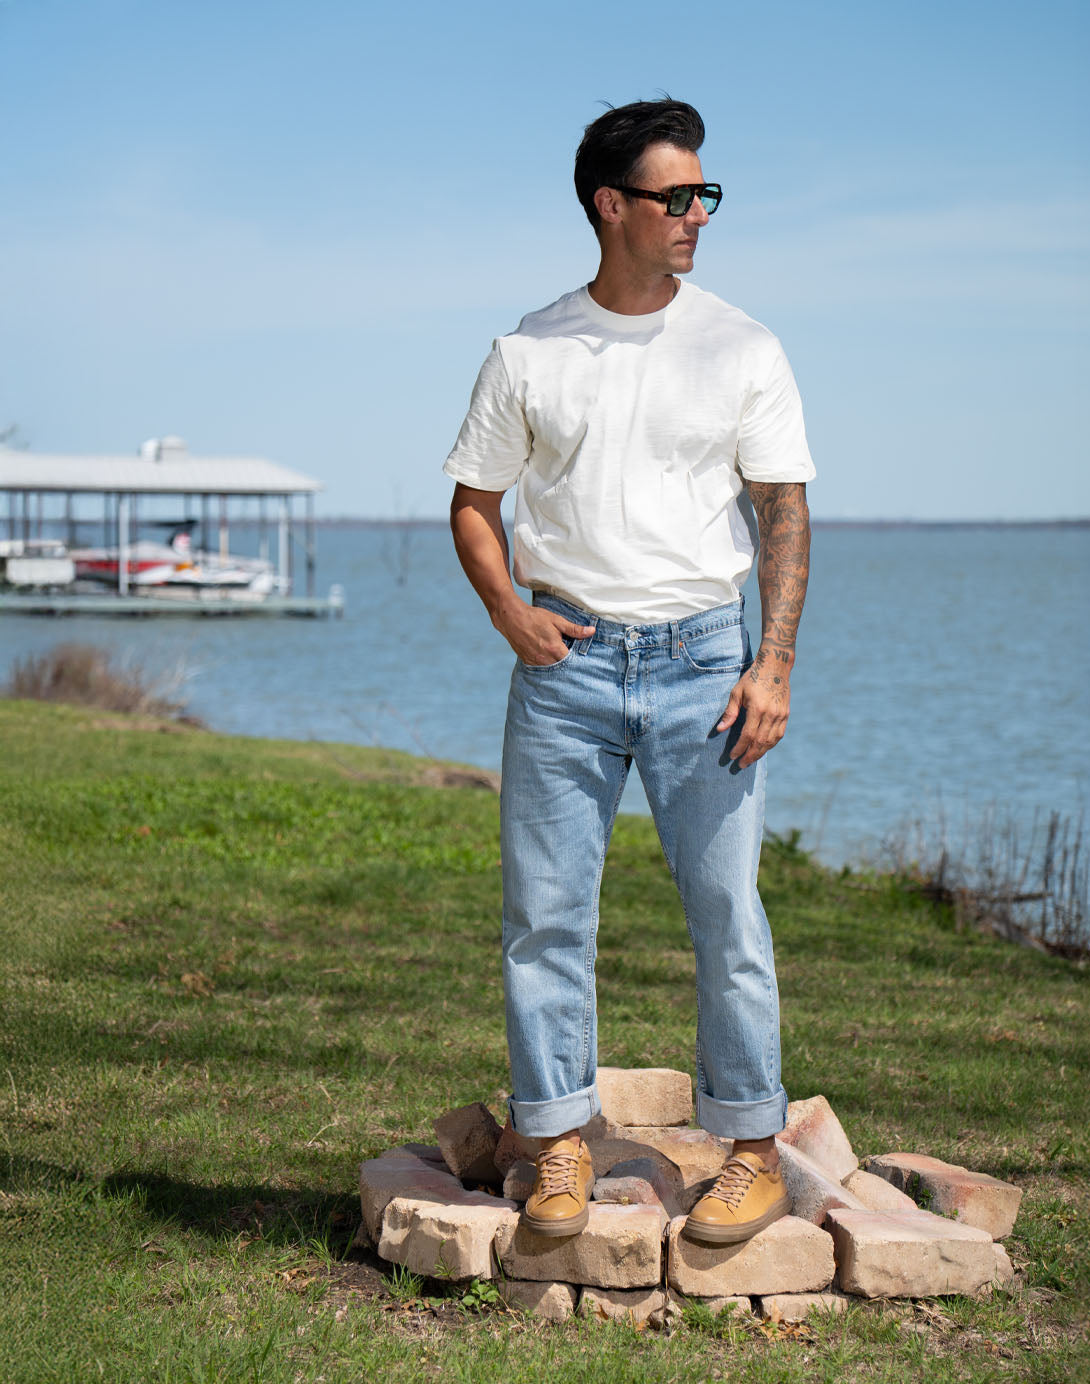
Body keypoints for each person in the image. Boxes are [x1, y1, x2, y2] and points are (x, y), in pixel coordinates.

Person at [444, 98, 814, 1245]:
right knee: (546, 917)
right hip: (569, 661)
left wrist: (773, 664)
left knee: (727, 916)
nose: (699, 214)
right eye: (677, 197)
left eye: (707, 195)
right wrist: (511, 611)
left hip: (707, 660)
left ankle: (751, 1151)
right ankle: (558, 1141)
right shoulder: (530, 349)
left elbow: (783, 511)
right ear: (612, 206)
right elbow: (474, 501)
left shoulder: (742, 344)